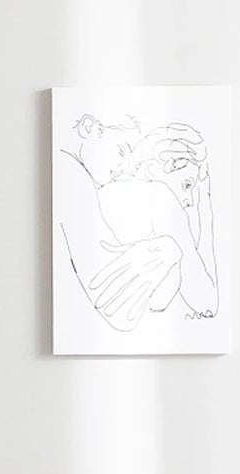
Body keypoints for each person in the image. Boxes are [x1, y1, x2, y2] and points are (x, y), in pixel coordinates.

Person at [58, 114, 219, 332]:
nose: (124, 168)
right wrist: (204, 203)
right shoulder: (158, 198)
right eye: (122, 151)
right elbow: (206, 301)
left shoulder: (85, 182)